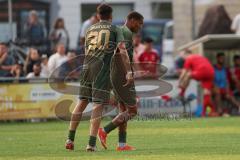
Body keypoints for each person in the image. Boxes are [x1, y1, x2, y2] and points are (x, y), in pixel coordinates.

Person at [65, 4, 130, 152]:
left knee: (81, 102)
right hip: (101, 69)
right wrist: (128, 71)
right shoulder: (115, 29)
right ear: (111, 15)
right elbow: (122, 49)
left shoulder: (90, 29)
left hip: (86, 66)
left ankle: (70, 139)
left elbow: (87, 48)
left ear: (98, 15)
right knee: (97, 106)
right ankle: (91, 143)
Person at [97, 11, 144, 151]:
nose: (140, 26)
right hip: (122, 75)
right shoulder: (126, 33)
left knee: (123, 110)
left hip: (116, 73)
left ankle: (122, 145)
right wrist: (129, 72)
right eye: (139, 23)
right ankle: (104, 131)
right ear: (132, 20)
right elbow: (123, 52)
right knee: (133, 111)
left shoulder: (119, 31)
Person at [178, 50, 217, 117]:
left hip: (202, 71)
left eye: (182, 55)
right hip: (211, 72)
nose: (182, 57)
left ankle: (181, 93)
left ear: (186, 54)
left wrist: (180, 82)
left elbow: (184, 72)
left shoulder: (189, 58)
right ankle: (205, 113)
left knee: (188, 75)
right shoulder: (199, 57)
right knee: (206, 93)